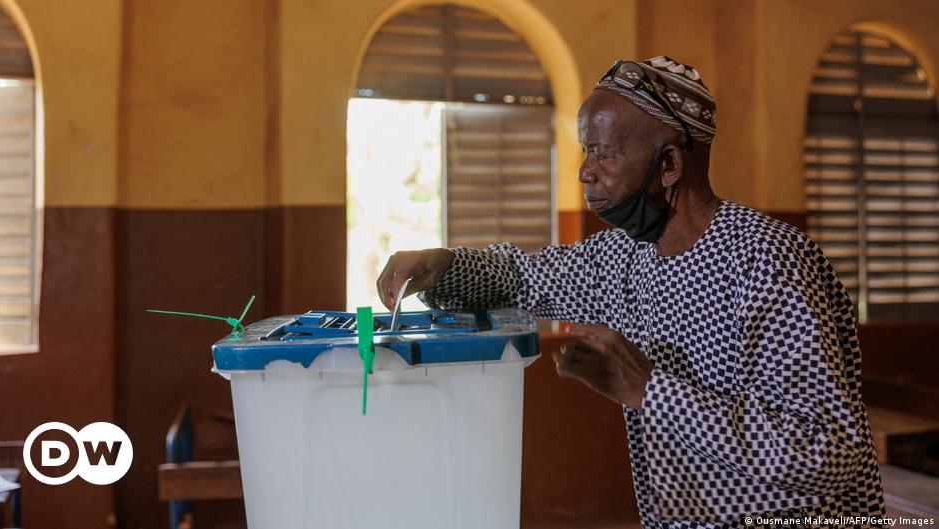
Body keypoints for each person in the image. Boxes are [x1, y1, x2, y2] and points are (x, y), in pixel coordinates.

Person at [376, 56, 886, 528]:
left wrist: (649, 390)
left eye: (601, 153)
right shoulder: (627, 254)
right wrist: (444, 267)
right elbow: (522, 277)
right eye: (585, 151)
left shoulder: (767, 261)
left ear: (669, 165)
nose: (584, 171)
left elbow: (827, 451)